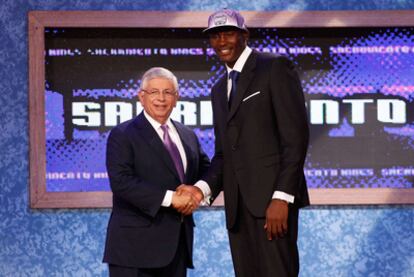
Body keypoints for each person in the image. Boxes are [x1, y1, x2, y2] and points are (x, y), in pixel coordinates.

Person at [179, 9, 310, 277]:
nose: (221, 42)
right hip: (238, 210)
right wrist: (200, 190)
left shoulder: (274, 67)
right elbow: (224, 154)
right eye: (215, 36)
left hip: (273, 207)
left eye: (228, 33)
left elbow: (295, 139)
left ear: (245, 35)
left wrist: (282, 198)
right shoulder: (218, 90)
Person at [103, 67, 210, 277]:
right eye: (154, 92)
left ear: (176, 97)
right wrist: (172, 199)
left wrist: (198, 192)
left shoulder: (188, 135)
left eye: (168, 92)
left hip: (177, 249)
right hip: (134, 253)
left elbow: (206, 171)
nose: (161, 98)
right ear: (141, 97)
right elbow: (122, 182)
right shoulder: (123, 134)